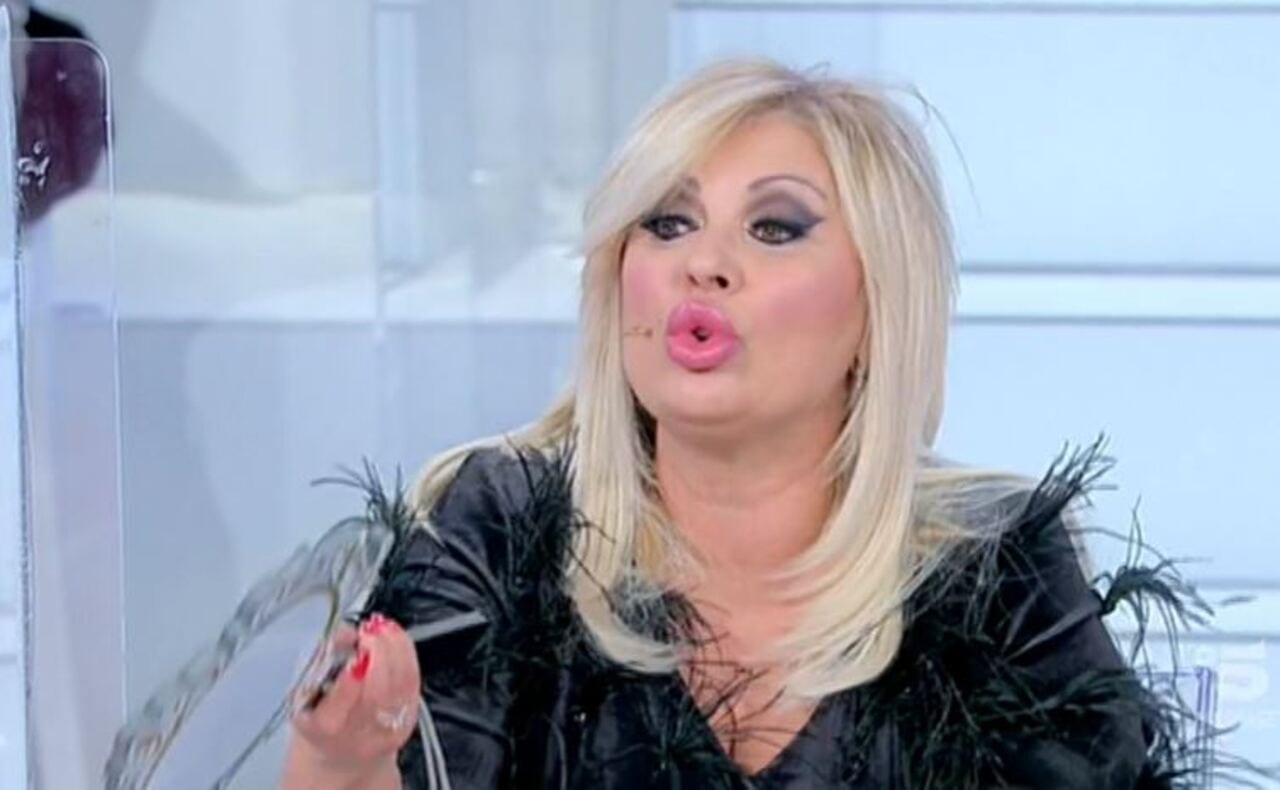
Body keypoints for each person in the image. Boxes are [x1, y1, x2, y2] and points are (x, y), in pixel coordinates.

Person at [283, 59, 1214, 789]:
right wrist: (342, 759)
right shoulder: (496, 531)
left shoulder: (997, 571)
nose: (704, 263)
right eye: (666, 223)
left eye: (774, 228)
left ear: (877, 309)